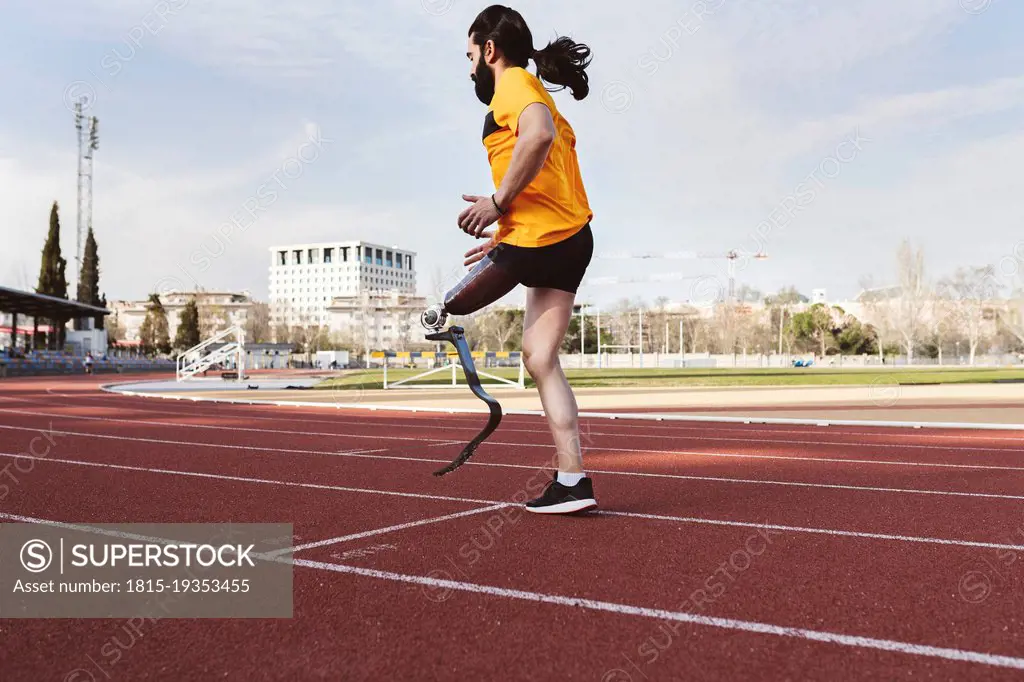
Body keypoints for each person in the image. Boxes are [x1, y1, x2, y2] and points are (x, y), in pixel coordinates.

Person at [444, 5, 596, 514]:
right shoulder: (531, 93)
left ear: (490, 50)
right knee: (539, 357)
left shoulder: (513, 84)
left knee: (451, 305)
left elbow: (538, 137)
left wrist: (498, 205)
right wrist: (505, 231)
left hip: (544, 239)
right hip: (570, 238)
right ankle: (573, 480)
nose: (468, 69)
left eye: (469, 56)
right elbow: (545, 174)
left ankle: (439, 314)